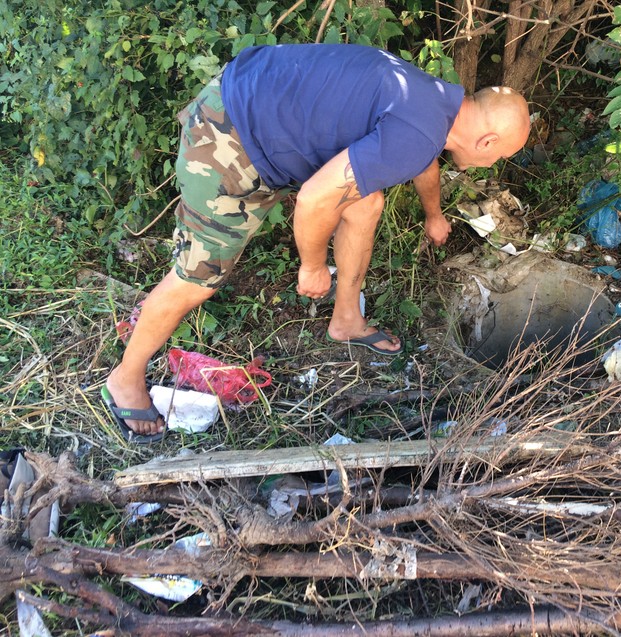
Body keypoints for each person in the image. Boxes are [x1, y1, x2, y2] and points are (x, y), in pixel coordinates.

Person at [101, 43, 531, 443]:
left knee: (365, 204)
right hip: (229, 137)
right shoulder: (418, 132)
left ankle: (346, 319)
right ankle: (126, 376)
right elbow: (313, 198)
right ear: (488, 142)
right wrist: (311, 266)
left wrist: (434, 215)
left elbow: (422, 159)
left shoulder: (438, 101)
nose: (494, 161)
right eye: (500, 156)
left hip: (254, 100)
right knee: (198, 278)